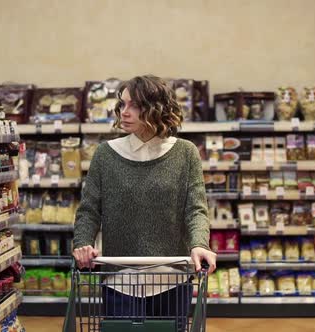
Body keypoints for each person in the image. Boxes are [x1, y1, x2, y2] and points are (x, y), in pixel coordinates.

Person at [72, 75, 216, 327]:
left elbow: (196, 209)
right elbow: (89, 210)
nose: (124, 112)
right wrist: (83, 243)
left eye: (134, 105)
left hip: (172, 279)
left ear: (156, 108)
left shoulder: (185, 153)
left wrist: (199, 243)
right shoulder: (106, 154)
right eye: (122, 104)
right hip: (119, 280)